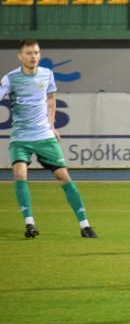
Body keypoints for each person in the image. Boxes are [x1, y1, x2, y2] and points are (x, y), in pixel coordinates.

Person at [1, 39, 97, 240]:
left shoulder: (47, 74)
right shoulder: (10, 79)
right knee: (20, 174)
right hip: (21, 138)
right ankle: (29, 223)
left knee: (64, 177)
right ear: (21, 56)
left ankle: (85, 225)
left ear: (40, 54)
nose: (33, 56)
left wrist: (52, 126)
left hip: (44, 136)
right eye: (28, 53)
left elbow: (51, 100)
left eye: (36, 52)